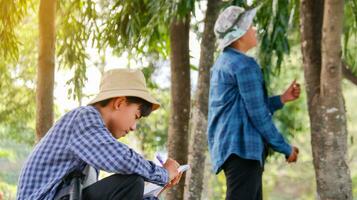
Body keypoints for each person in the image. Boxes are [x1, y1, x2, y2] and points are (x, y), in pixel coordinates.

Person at [17, 69, 182, 200]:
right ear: (120, 103)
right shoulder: (84, 118)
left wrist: (156, 187)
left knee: (135, 184)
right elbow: (122, 158)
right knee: (131, 182)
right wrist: (163, 174)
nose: (133, 127)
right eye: (136, 117)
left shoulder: (93, 142)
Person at [208, 6, 301, 200]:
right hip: (243, 150)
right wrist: (286, 148)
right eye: (251, 25)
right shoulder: (244, 65)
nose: (255, 29)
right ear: (240, 34)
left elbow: (246, 106)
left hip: (230, 150)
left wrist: (282, 99)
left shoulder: (223, 63)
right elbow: (258, 115)